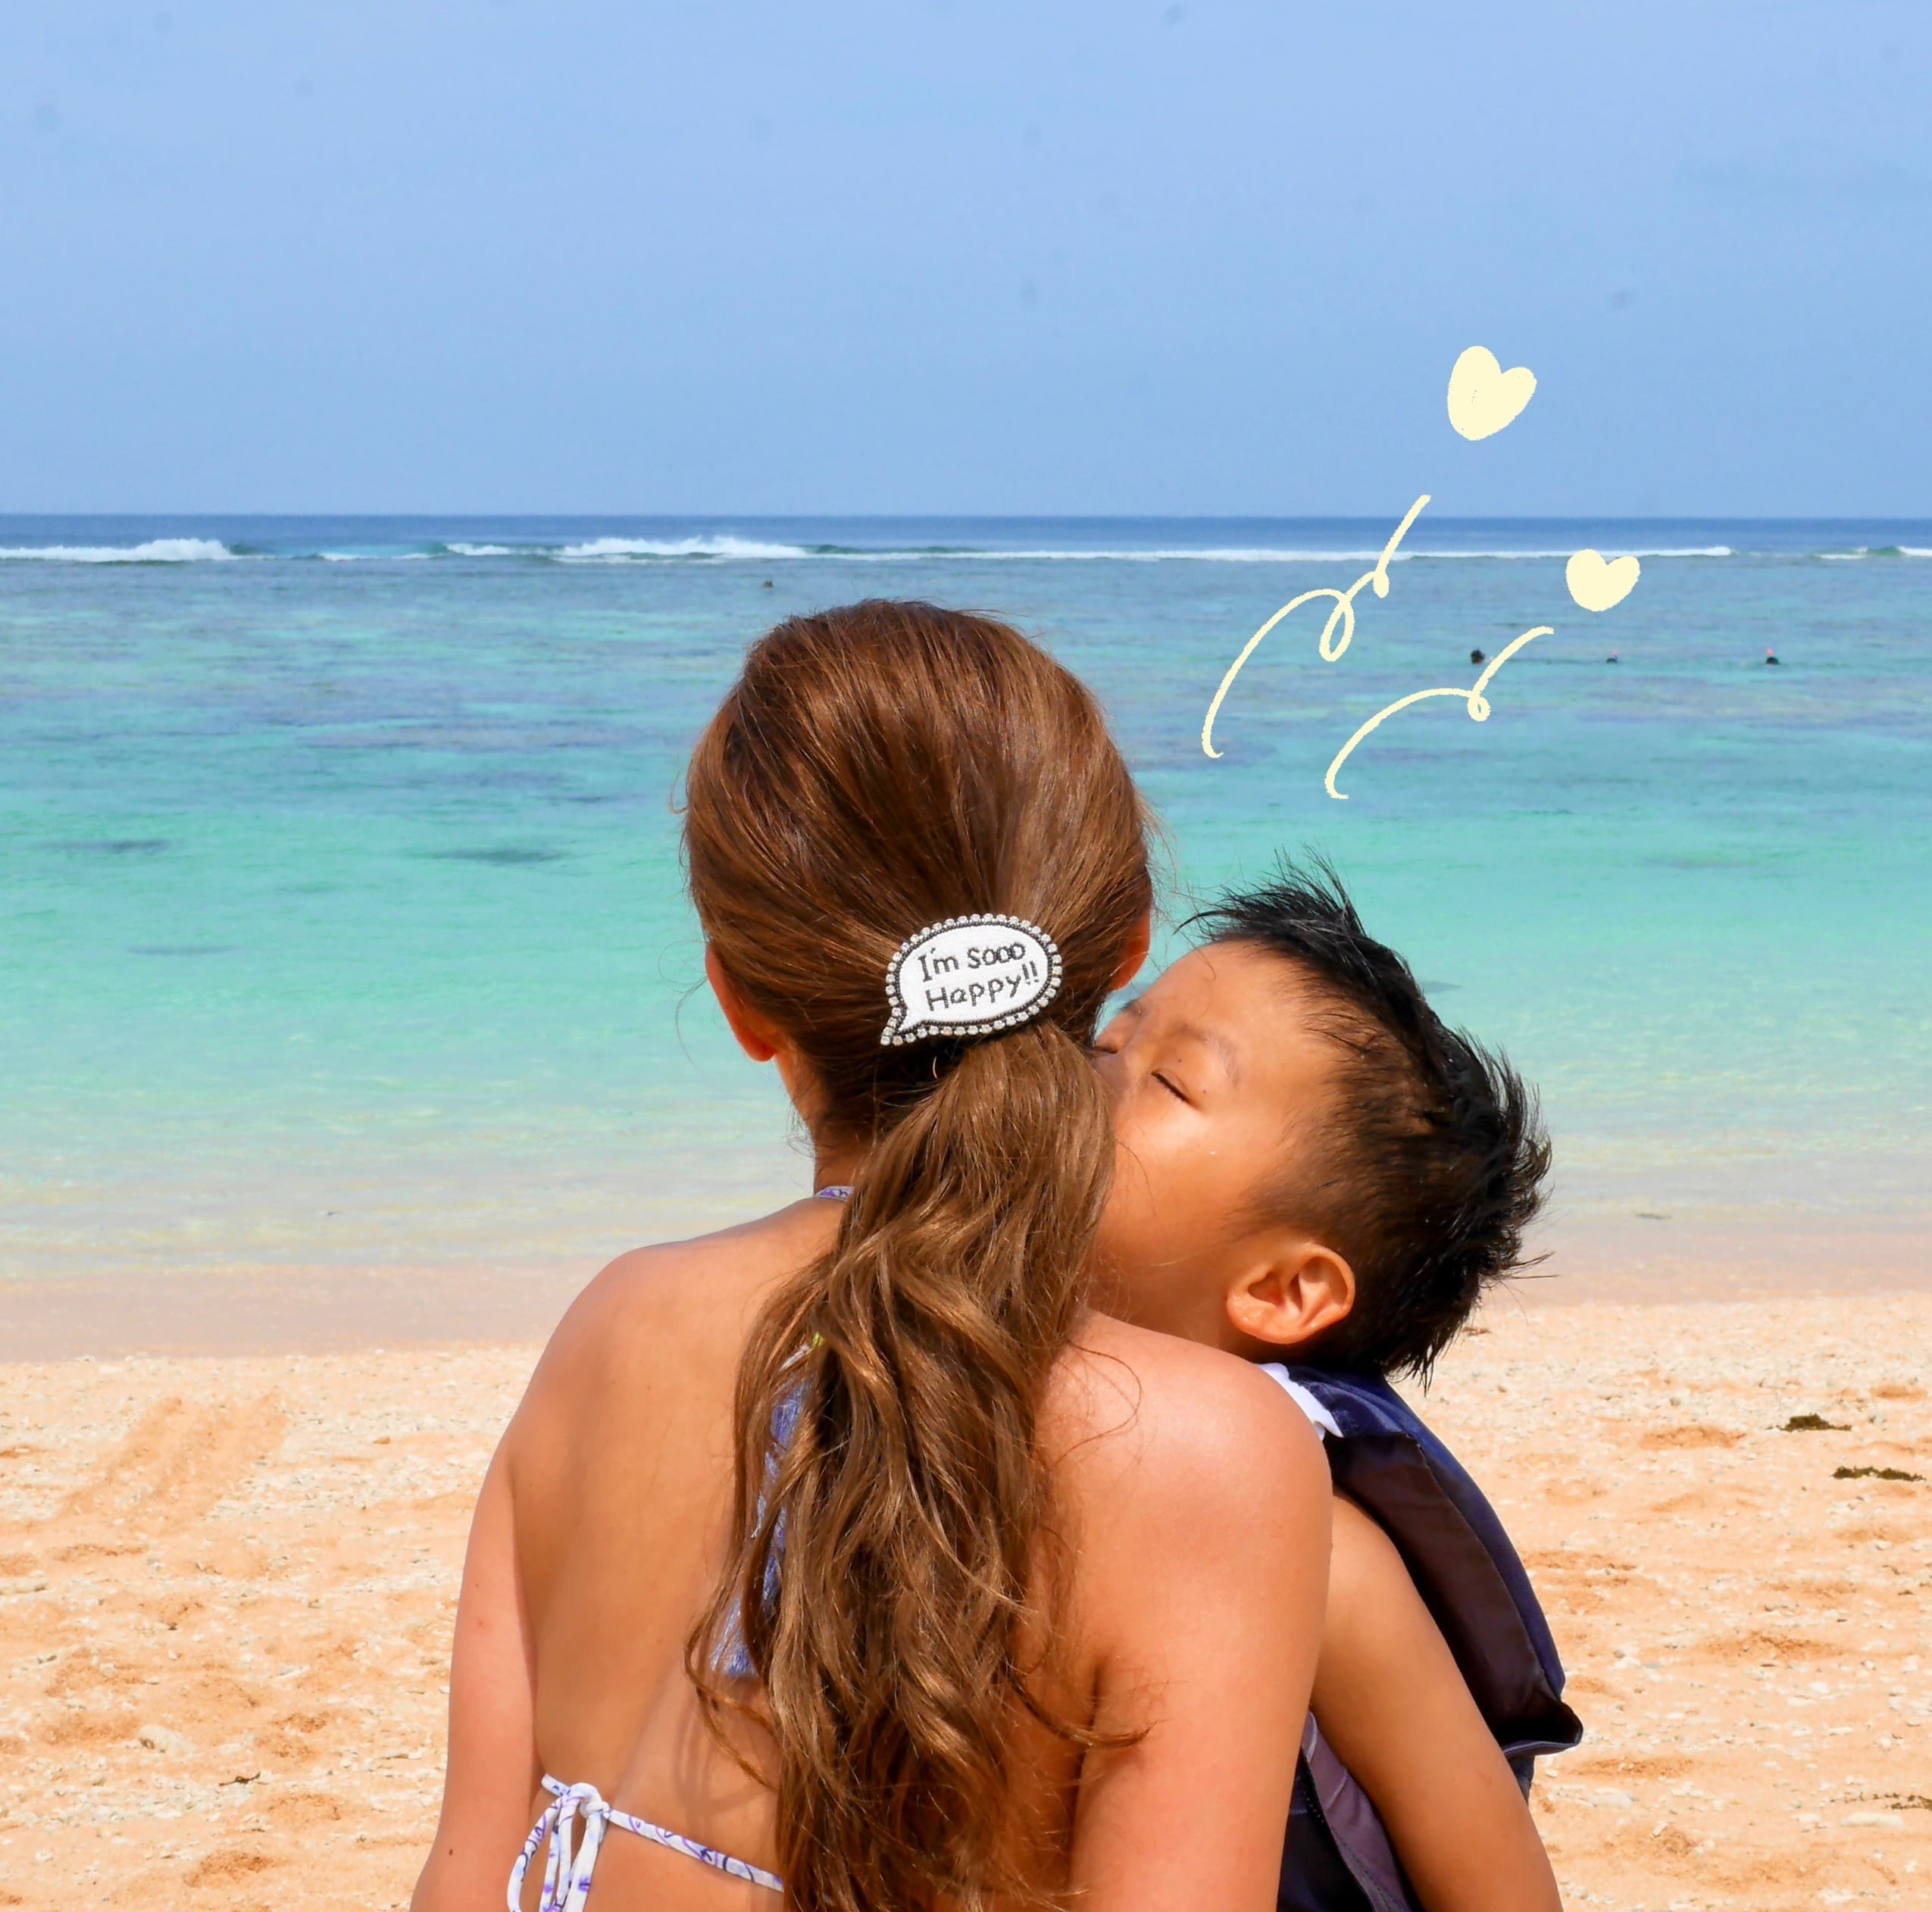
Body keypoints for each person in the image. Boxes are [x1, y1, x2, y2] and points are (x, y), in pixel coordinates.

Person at [412, 602, 1333, 1912]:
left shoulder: (615, 1323)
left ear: (737, 1000)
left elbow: (466, 1876)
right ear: (1129, 943)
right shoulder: (1206, 1452)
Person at [1091, 864, 1579, 1912]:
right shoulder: (965, 1384)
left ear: (1283, 1290)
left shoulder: (1318, 1555)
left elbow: (1496, 1884)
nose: (1090, 1072)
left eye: (1170, 1083)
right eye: (1107, 1040)